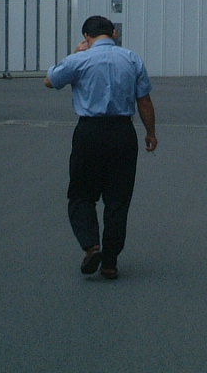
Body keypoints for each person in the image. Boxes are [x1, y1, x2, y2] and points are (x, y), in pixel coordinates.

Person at [44, 15, 157, 279]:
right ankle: (110, 261)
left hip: (89, 132)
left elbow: (50, 80)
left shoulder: (80, 59)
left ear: (87, 36)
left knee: (81, 194)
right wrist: (151, 133)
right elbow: (144, 101)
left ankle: (91, 245)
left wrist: (75, 54)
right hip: (122, 133)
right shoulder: (132, 59)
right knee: (118, 199)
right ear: (114, 33)